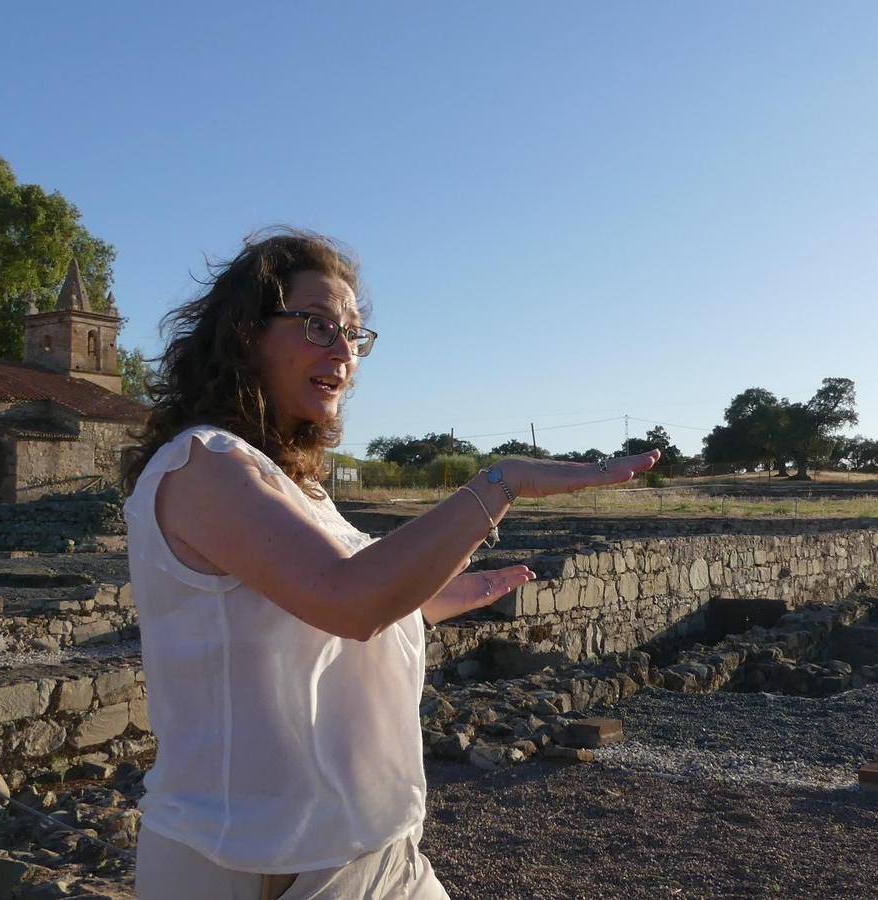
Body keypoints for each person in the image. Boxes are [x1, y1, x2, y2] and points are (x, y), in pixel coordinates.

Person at [119, 228, 659, 899]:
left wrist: (439, 598)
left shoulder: (298, 488)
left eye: (354, 333)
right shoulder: (203, 462)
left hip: (368, 842)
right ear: (246, 333)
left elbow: (310, 606)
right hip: (249, 861)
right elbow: (350, 600)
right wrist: (502, 483)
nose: (344, 350)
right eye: (316, 325)